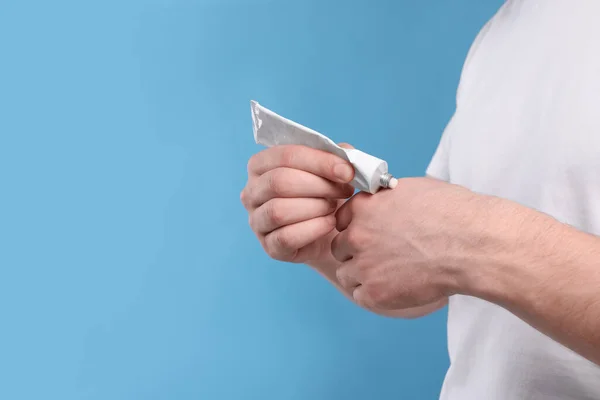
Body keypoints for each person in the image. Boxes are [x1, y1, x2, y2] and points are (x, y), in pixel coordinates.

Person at [240, 1, 600, 398]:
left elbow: (457, 249)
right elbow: (446, 282)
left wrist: (466, 242)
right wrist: (334, 240)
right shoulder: (507, 31)